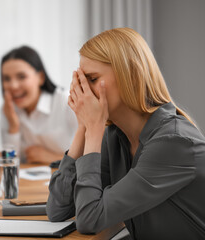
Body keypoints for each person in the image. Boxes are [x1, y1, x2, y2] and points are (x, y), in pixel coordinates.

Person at [46, 28, 205, 239]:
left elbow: (89, 219)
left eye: (91, 79)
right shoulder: (114, 136)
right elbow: (58, 210)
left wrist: (93, 129)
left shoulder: (174, 142)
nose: (82, 92)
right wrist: (83, 128)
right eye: (80, 81)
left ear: (130, 75)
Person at [0, 46, 77, 164]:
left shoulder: (66, 101)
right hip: (33, 181)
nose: (13, 85)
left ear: (40, 77)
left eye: (21, 77)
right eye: (6, 78)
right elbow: (9, 162)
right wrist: (13, 127)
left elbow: (94, 157)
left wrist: (54, 158)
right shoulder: (8, 110)